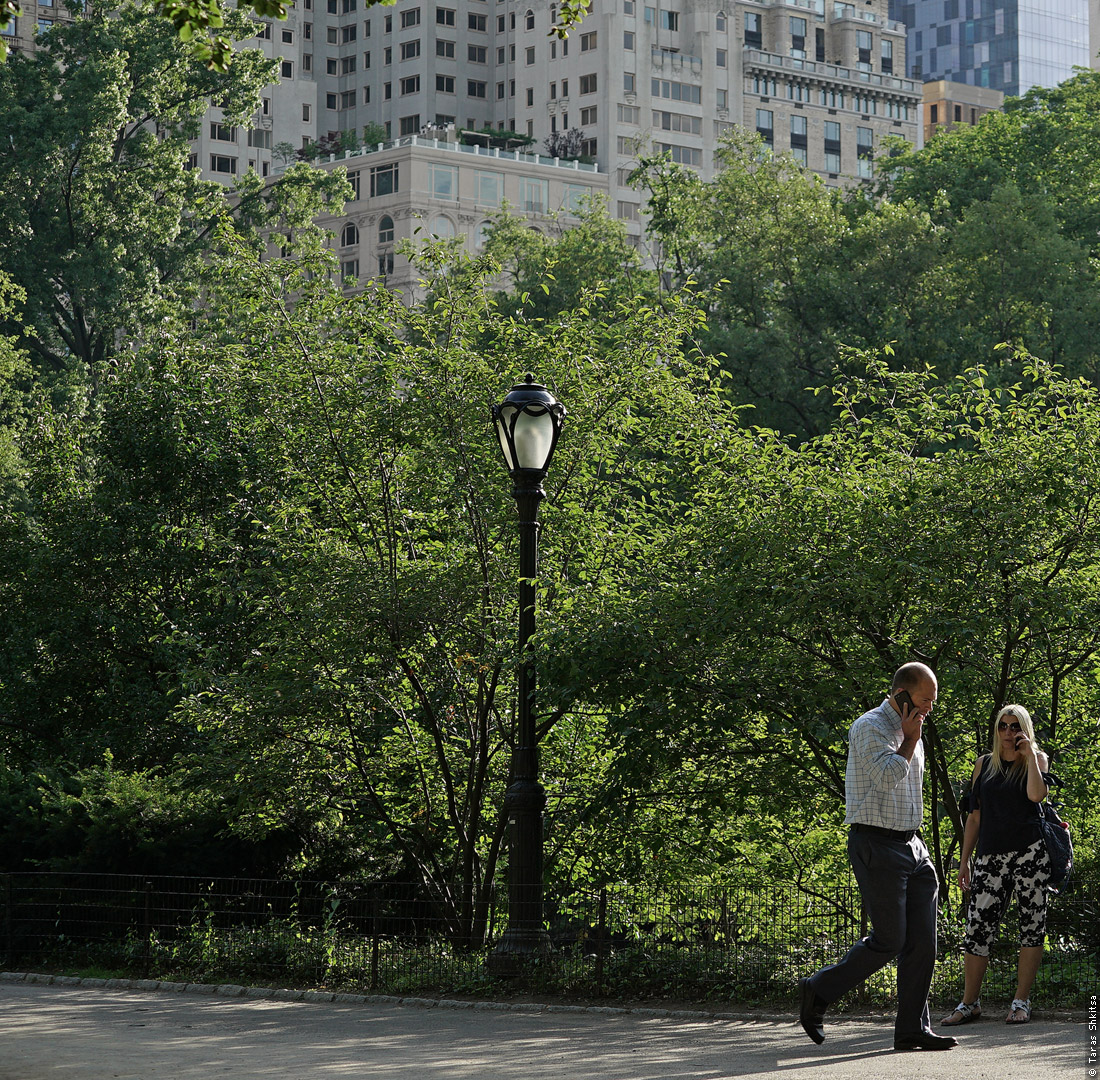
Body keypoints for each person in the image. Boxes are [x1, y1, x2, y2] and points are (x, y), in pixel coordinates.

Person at [798, 662, 958, 1052]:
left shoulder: (911, 729)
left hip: (912, 846)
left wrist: (911, 734)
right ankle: (818, 990)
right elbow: (888, 775)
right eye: (924, 701)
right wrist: (909, 737)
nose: (929, 709)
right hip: (876, 843)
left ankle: (910, 1030)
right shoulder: (869, 727)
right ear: (901, 694)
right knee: (890, 939)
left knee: (923, 942)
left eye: (933, 702)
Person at [941, 704, 1051, 1027]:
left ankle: (1021, 1001)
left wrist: (1029, 756)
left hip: (1030, 855)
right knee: (977, 929)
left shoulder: (1037, 760)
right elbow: (974, 818)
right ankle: (969, 1003)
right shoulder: (983, 766)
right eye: (1003, 726)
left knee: (1032, 928)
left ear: (1025, 729)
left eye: (1015, 726)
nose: (1008, 733)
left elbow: (1035, 795)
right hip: (989, 859)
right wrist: (965, 862)